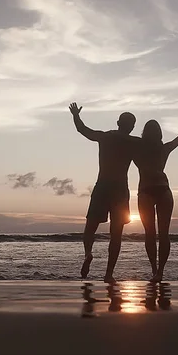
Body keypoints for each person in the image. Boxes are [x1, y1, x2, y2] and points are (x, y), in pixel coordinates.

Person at [69, 102, 139, 283]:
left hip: (102, 186)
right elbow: (154, 148)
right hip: (120, 191)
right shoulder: (133, 142)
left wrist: (75, 115)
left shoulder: (105, 137)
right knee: (116, 234)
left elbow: (83, 130)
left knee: (90, 227)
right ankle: (109, 273)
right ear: (131, 127)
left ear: (117, 122)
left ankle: (88, 254)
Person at [133, 105, 178, 282]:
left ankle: (155, 270)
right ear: (159, 133)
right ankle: (159, 272)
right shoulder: (164, 148)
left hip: (147, 191)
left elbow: (123, 143)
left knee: (150, 233)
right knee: (163, 234)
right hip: (163, 190)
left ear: (144, 133)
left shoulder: (137, 148)